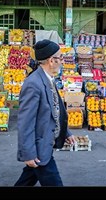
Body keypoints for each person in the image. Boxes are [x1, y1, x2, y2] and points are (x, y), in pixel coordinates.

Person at [14, 39, 75, 187]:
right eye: (60, 58)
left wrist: (65, 132)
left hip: (45, 143)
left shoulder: (48, 79)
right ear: (51, 61)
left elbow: (54, 111)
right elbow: (25, 122)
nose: (62, 61)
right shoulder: (33, 84)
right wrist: (28, 153)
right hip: (39, 147)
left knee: (26, 180)